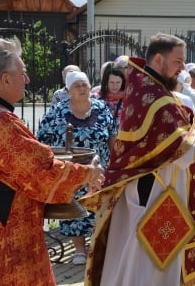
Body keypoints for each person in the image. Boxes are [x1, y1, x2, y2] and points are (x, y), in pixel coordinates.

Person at [80, 33, 195, 286]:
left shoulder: (148, 88)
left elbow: (169, 139)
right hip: (155, 190)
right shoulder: (156, 97)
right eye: (178, 61)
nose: (182, 68)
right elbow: (176, 148)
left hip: (154, 185)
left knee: (143, 253)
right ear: (158, 58)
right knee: (149, 258)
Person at [0, 37, 104, 285]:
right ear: (5, 79)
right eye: (23, 73)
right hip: (14, 250)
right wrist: (88, 173)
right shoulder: (2, 124)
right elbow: (42, 173)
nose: (27, 80)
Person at [37, 71, 117, 265]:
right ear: (69, 90)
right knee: (74, 210)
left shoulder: (102, 108)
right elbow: (41, 140)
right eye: (77, 86)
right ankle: (79, 250)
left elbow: (113, 136)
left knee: (100, 210)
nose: (82, 89)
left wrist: (116, 163)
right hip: (70, 171)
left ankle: (98, 247)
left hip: (99, 171)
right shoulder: (58, 112)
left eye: (85, 85)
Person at [97, 62, 126, 128]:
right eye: (111, 82)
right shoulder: (97, 98)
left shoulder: (128, 99)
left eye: (118, 82)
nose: (115, 86)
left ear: (123, 81)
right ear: (106, 81)